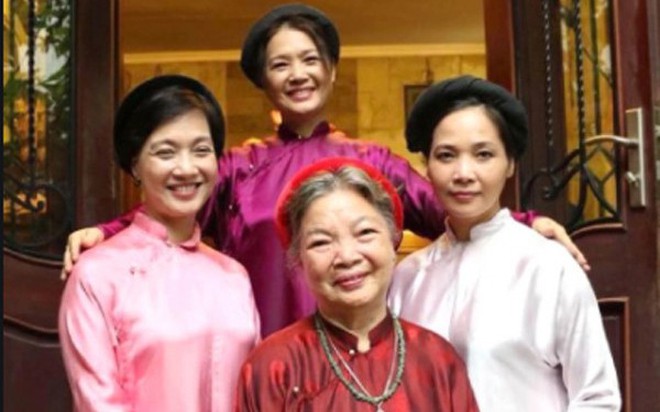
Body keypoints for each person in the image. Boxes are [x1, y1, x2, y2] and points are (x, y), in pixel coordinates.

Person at [61, 3, 586, 337]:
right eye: (280, 64)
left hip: (362, 359)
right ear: (264, 81)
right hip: (267, 359)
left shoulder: (375, 162)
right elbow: (172, 209)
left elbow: (453, 207)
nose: (298, 74)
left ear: (331, 70)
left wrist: (526, 223)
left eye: (310, 59)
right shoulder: (236, 168)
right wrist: (107, 232)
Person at [388, 75, 621, 410]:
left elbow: (597, 398)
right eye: (446, 155)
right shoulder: (408, 278)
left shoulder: (548, 267)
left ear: (510, 163)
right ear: (427, 166)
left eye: (483, 154)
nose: (464, 173)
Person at [58, 75, 260, 411]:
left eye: (201, 150)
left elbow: (255, 392)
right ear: (135, 165)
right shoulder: (96, 275)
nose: (187, 168)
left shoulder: (233, 276)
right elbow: (99, 403)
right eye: (166, 153)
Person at [236, 157, 479, 411]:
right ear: (299, 259)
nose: (347, 256)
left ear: (393, 240)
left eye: (364, 233)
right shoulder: (273, 367)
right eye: (321, 242)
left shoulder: (438, 360)